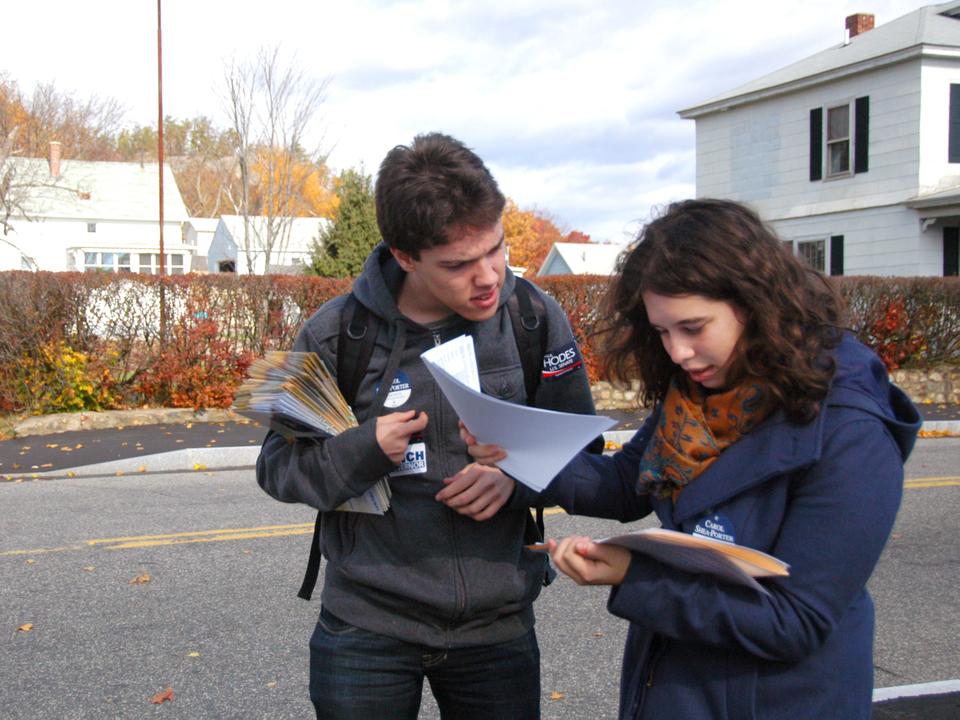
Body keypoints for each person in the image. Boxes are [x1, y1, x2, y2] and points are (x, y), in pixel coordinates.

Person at [463, 199, 921, 719]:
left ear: (756, 303)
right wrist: (516, 452)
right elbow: (623, 485)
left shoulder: (851, 430)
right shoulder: (701, 389)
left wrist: (635, 577)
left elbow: (795, 621)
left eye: (693, 327)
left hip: (781, 700)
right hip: (677, 688)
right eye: (661, 332)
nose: (677, 352)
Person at [256, 132, 600, 719]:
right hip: (365, 632)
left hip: (497, 632)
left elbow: (584, 450)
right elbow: (277, 466)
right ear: (405, 256)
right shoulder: (335, 332)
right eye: (459, 264)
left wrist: (514, 481)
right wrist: (365, 448)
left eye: (496, 249)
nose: (489, 276)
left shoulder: (534, 317)